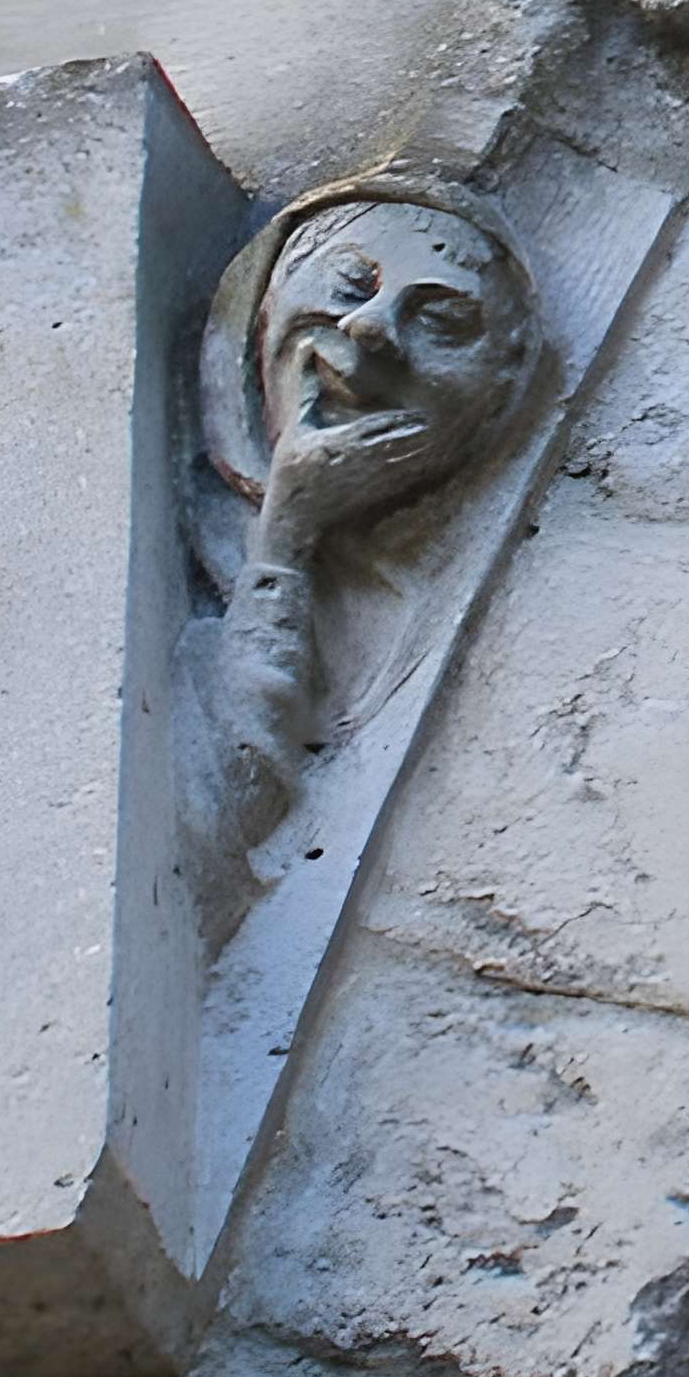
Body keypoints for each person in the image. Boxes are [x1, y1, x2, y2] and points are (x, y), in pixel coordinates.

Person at [180, 177, 546, 948]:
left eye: (445, 318)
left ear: (502, 389)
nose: (372, 326)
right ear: (266, 302)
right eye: (351, 280)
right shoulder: (160, 562)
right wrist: (286, 535)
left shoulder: (444, 614)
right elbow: (204, 839)